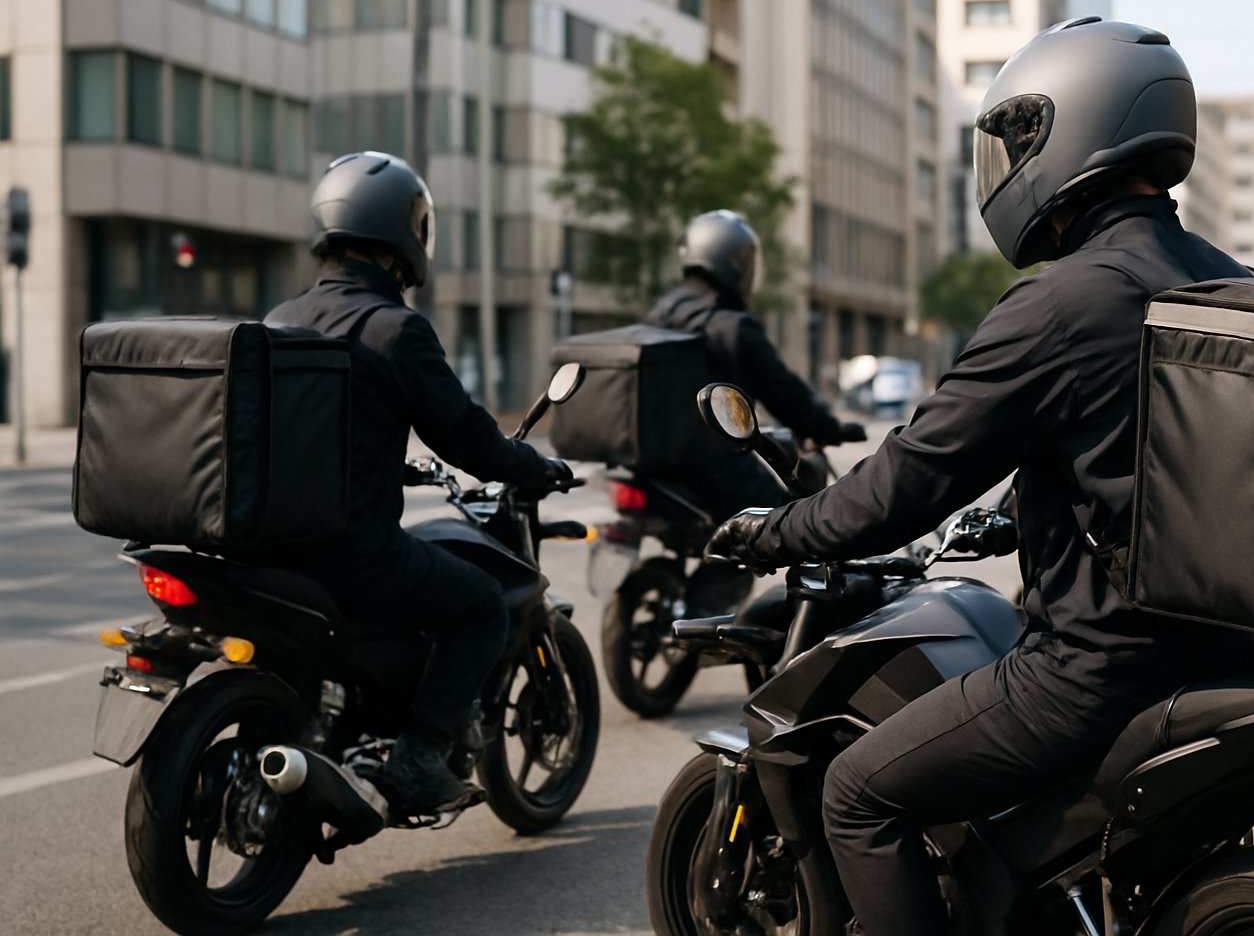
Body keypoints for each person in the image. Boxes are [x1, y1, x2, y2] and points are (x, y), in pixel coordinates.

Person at [705, 18, 1254, 933]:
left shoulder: (1057, 303)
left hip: (1095, 673)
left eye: (1019, 137)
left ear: (1070, 126)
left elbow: (903, 487)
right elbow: (1157, 453)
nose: (1009, 162)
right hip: (1230, 657)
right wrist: (1023, 507)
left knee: (856, 792)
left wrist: (775, 530)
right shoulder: (1232, 284)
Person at [265, 151, 571, 812]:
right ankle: (418, 757)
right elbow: (465, 435)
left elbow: (311, 430)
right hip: (352, 557)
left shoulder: (278, 319)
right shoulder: (395, 329)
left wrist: (387, 460)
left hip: (270, 549)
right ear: (406, 236)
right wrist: (536, 467)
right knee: (480, 604)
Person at [645, 209, 865, 516]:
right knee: (788, 523)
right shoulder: (733, 326)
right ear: (732, 262)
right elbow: (783, 391)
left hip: (655, 464)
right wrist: (829, 427)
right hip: (713, 465)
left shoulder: (661, 315)